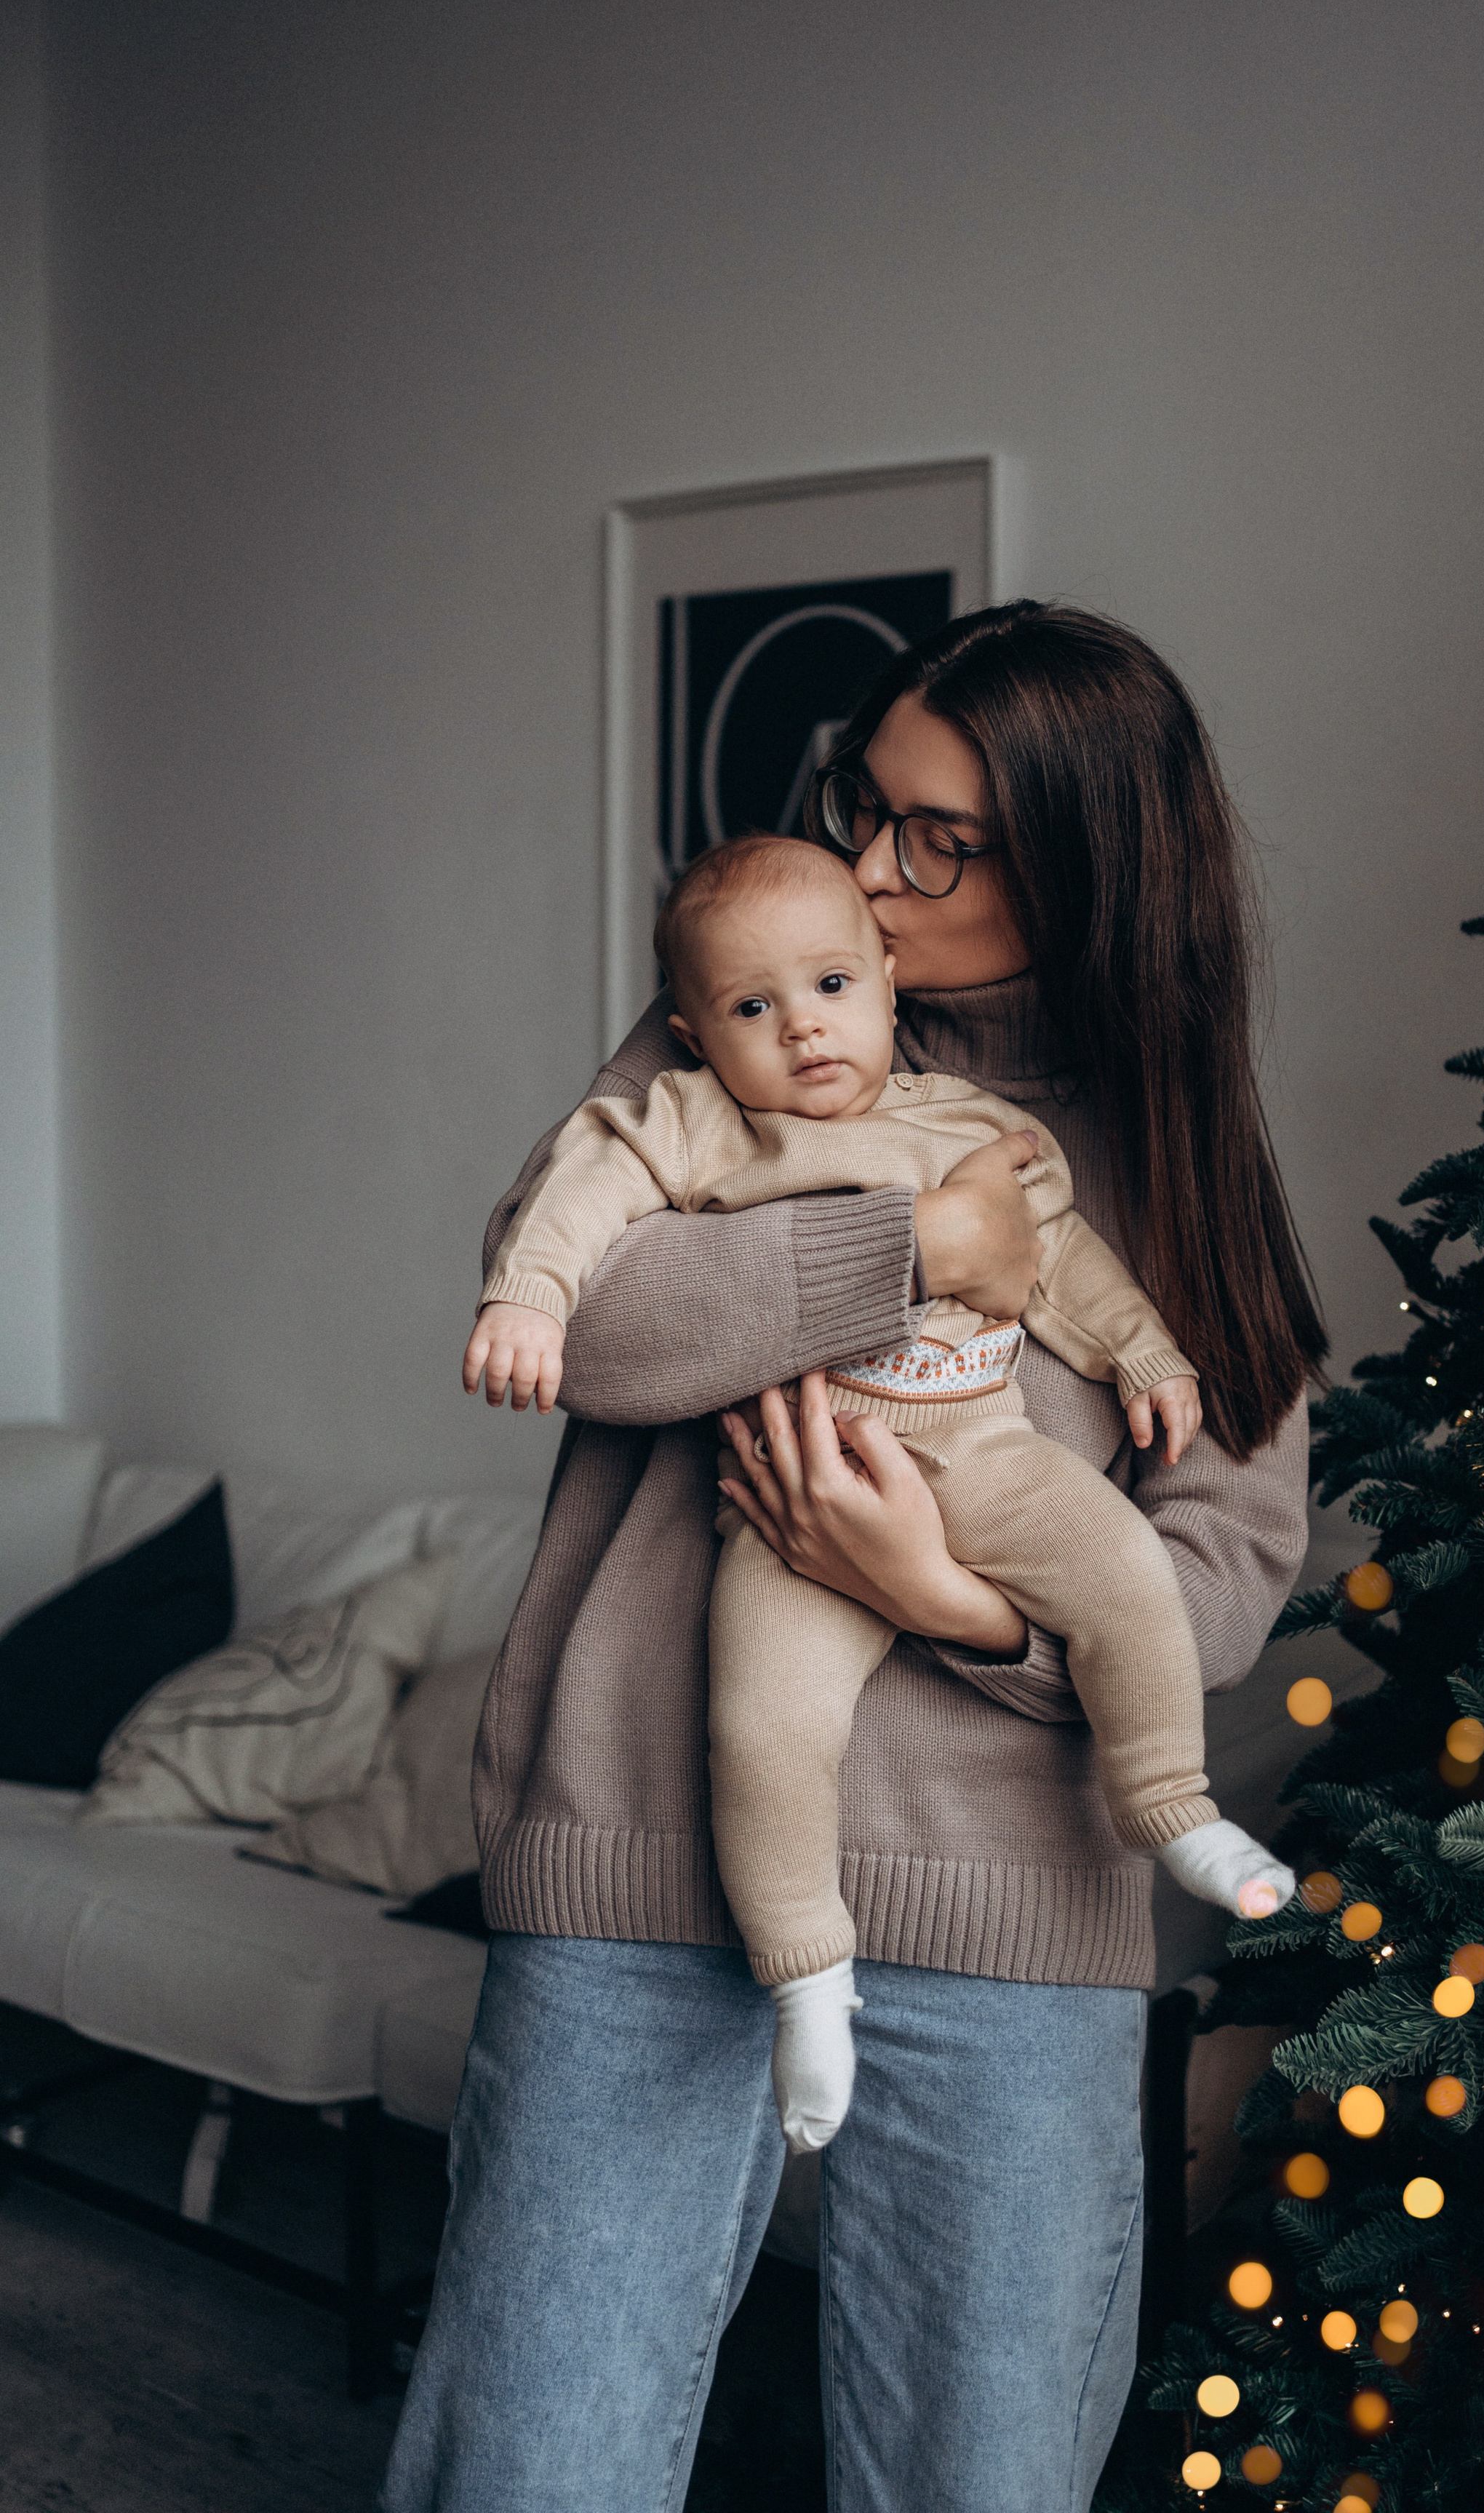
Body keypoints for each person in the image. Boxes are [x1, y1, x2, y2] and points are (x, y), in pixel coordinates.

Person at [382, 602, 1326, 2513]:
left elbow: (1224, 1562)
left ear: (1092, 856)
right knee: (531, 2465)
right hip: (641, 1854)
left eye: (941, 842)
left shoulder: (1183, 1154)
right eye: (868, 810)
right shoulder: (752, 1013)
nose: (877, 883)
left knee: (980, 2479)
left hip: (1018, 1896)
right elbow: (592, 1327)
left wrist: (951, 1606)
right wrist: (913, 1245)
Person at [460, 831, 1296, 2151]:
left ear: (887, 988)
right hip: (789, 1512)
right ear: (701, 1025)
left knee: (1126, 1576)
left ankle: (1173, 1807)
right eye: (753, 1008)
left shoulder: (981, 1124)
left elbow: (1066, 1264)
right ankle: (810, 1976)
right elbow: (582, 1206)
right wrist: (528, 1296)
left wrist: (1133, 1363)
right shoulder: (697, 1110)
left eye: (941, 843)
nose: (801, 1029)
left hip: (990, 1467)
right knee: (768, 1729)